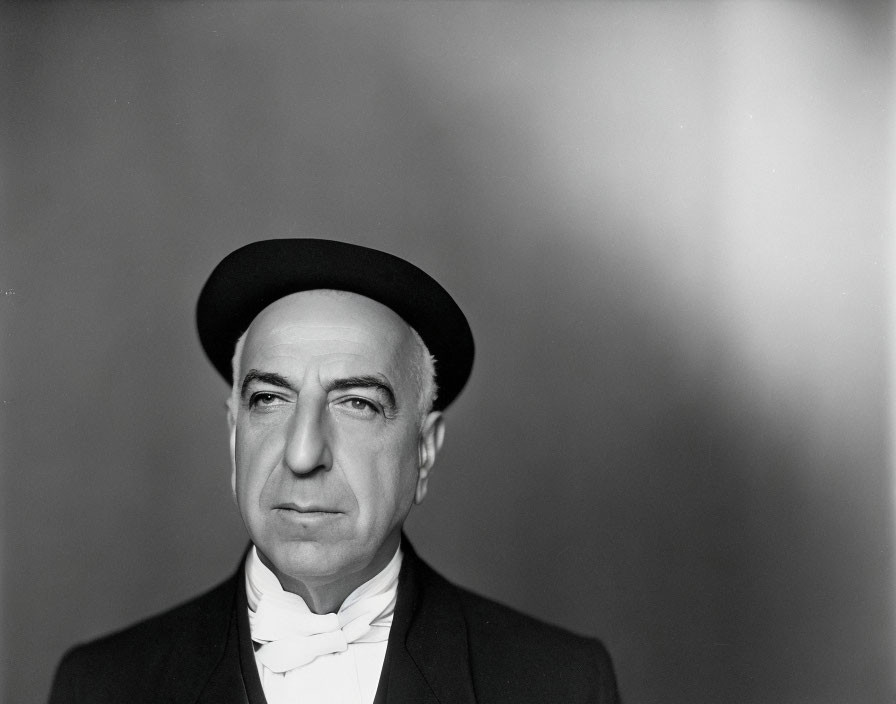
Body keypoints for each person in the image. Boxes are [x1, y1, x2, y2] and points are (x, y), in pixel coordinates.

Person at [48, 239, 619, 704]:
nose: (303, 454)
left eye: (358, 404)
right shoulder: (98, 686)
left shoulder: (563, 684)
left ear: (424, 450)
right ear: (232, 435)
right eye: (270, 398)